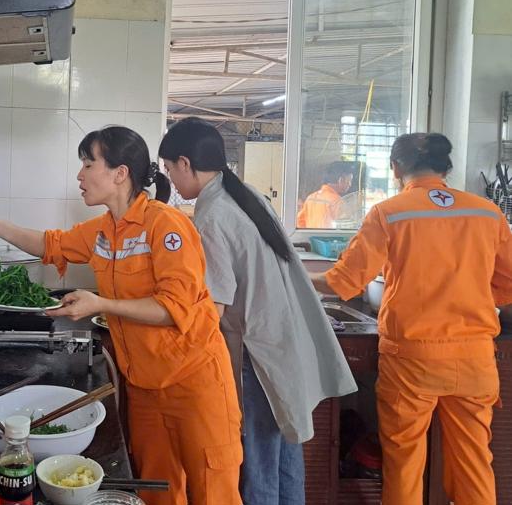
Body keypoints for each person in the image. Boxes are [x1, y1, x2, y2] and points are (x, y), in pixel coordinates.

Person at [0, 126, 242, 505]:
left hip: (194, 384)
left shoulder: (167, 226)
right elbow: (51, 244)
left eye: (88, 164)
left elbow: (171, 308)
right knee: (157, 490)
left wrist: (100, 304)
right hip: (143, 385)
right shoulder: (103, 232)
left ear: (120, 173)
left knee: (214, 492)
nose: (80, 175)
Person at [158, 117, 356, 505]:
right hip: (282, 342)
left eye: (169, 170)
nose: (172, 181)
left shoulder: (213, 215)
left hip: (259, 354)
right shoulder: (244, 194)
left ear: (185, 163)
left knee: (259, 462)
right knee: (285, 452)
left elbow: (215, 307)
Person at [311, 133, 512, 505]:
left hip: (412, 360)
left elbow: (344, 282)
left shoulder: (390, 213)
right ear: (445, 168)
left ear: (395, 168)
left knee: (404, 462)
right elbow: (508, 282)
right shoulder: (487, 212)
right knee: (473, 462)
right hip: (474, 358)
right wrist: (471, 297)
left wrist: (296, 276)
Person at [296, 161, 354, 228]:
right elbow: (345, 227)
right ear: (340, 180)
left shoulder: (311, 197)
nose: (350, 185)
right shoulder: (337, 201)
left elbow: (300, 222)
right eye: (349, 180)